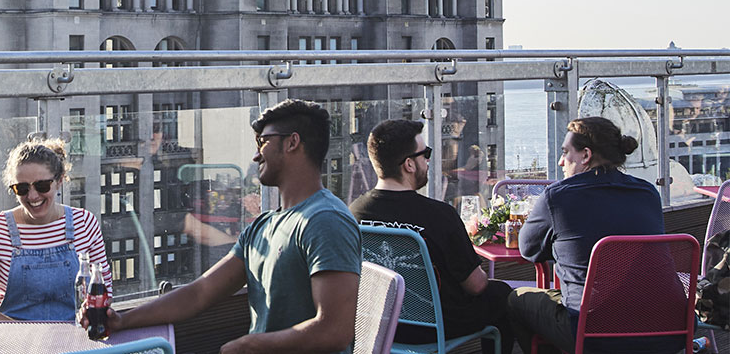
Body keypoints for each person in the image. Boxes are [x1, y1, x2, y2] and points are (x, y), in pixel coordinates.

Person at [96, 99, 360, 354]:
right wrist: (122, 320)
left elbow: (334, 331)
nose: (256, 155)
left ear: (292, 142)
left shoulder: (326, 220)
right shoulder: (264, 226)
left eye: (263, 142)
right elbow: (200, 293)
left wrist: (250, 345)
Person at [350, 119, 512, 354]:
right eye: (425, 154)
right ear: (408, 164)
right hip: (434, 327)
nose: (428, 160)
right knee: (501, 294)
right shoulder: (439, 215)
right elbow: (476, 286)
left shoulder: (354, 213)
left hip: (377, 325)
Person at [508, 116, 666, 354]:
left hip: (594, 333)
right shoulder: (648, 193)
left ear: (585, 156)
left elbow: (528, 249)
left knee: (517, 299)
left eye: (565, 152)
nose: (561, 162)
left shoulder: (558, 198)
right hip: (661, 326)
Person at [0, 138, 110, 321]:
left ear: (59, 181)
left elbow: (104, 289)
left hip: (74, 339)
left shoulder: (84, 223)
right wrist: (23, 334)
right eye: (21, 188)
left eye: (42, 186)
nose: (32, 196)